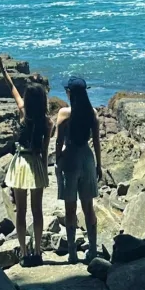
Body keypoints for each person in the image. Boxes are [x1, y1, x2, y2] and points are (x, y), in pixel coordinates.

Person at [0, 55, 50, 267]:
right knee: (37, 211)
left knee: (21, 211)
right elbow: (45, 152)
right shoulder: (47, 122)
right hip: (35, 164)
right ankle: (38, 251)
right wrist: (44, 173)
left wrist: (1, 67)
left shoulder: (22, 112)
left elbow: (11, 88)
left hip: (20, 164)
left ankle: (24, 252)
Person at [54, 74, 102, 263]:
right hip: (87, 158)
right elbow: (97, 141)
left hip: (71, 158)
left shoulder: (65, 113)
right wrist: (99, 164)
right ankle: (92, 249)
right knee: (88, 207)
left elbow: (59, 140)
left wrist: (58, 160)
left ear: (69, 92)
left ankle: (73, 252)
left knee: (70, 207)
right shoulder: (92, 113)